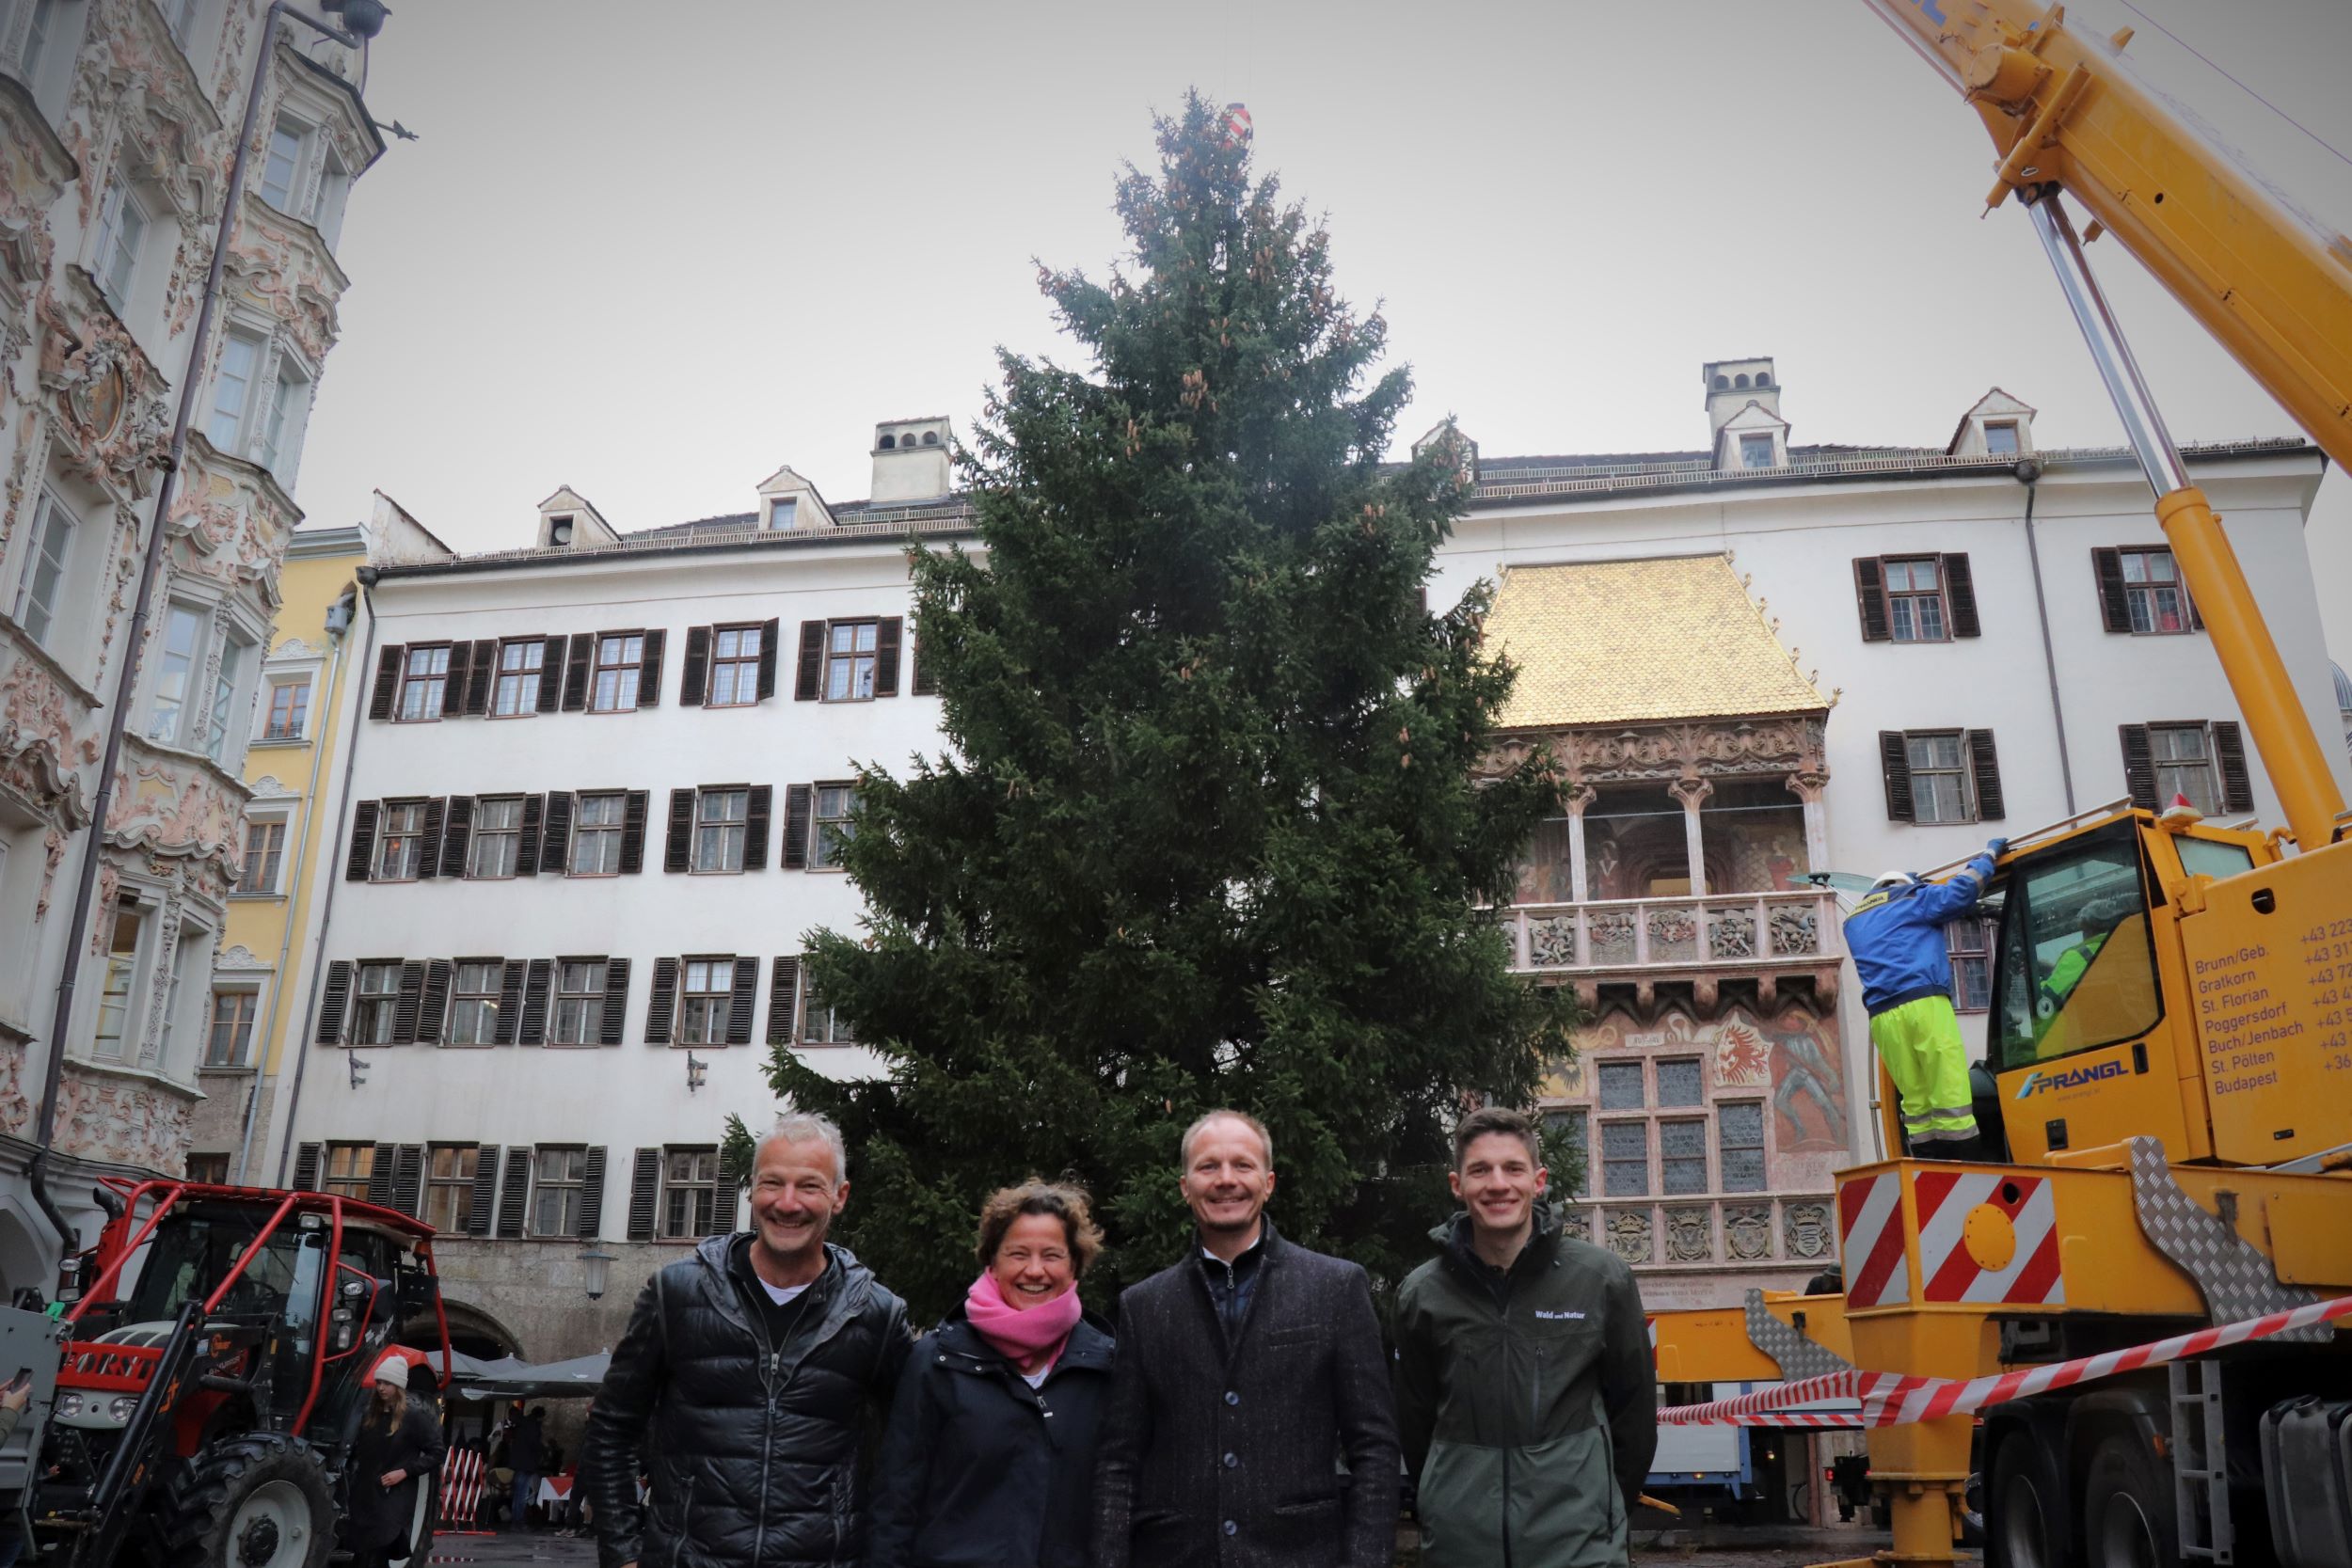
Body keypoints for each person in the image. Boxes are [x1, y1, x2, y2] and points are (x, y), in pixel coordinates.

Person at [585, 1112, 911, 1568]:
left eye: (809, 1186)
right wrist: (623, 1554)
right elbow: (611, 1428)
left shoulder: (876, 1315)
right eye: (772, 1183)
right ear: (752, 1189)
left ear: (839, 1197)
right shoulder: (676, 1294)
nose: (787, 1203)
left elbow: (912, 1454)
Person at [1091, 1109, 1399, 1568]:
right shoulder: (1145, 1306)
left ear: (1268, 1182)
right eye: (1208, 1166)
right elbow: (1120, 1461)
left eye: (1242, 1164)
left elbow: (1374, 1447)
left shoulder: (1335, 1288)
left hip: (1301, 1555)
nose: (1225, 1179)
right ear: (1185, 1186)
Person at [1392, 1107, 1657, 1568]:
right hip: (1461, 1550)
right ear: (1457, 1185)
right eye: (1480, 1170)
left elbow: (1634, 1418)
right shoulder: (1421, 1294)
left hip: (1579, 1551)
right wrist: (1443, 1501)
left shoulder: (1600, 1280)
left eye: (1513, 1168)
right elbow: (1415, 1427)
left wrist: (1601, 1510)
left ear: (1538, 1181)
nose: (1498, 1184)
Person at [867, 1180, 1116, 1568]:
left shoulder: (1107, 1368)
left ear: (1074, 1266)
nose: (1035, 1270)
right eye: (1018, 1254)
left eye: (1052, 1255)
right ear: (993, 1263)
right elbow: (894, 1506)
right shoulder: (936, 1361)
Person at [1842, 839, 2006, 1159]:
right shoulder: (1914, 899)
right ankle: (1968, 1156)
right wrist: (1988, 855)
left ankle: (1927, 1155)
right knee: (1947, 1081)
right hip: (1923, 1003)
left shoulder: (1853, 921)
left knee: (1914, 1095)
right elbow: (1964, 889)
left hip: (1882, 1018)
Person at [348, 1355, 446, 1568]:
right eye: (379, 1382)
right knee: (363, 1555)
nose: (381, 1388)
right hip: (367, 1494)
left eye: (388, 1383)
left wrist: (405, 1472)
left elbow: (437, 1452)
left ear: (399, 1386)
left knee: (379, 1549)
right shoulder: (370, 1414)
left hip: (393, 1495)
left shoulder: (414, 1416)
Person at [506, 1405, 546, 1531]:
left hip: (518, 1463)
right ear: (540, 1417)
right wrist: (542, 1451)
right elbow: (534, 1444)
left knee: (518, 1493)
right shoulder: (533, 1426)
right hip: (527, 1463)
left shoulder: (522, 1424)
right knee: (523, 1494)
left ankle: (515, 1521)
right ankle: (519, 1521)